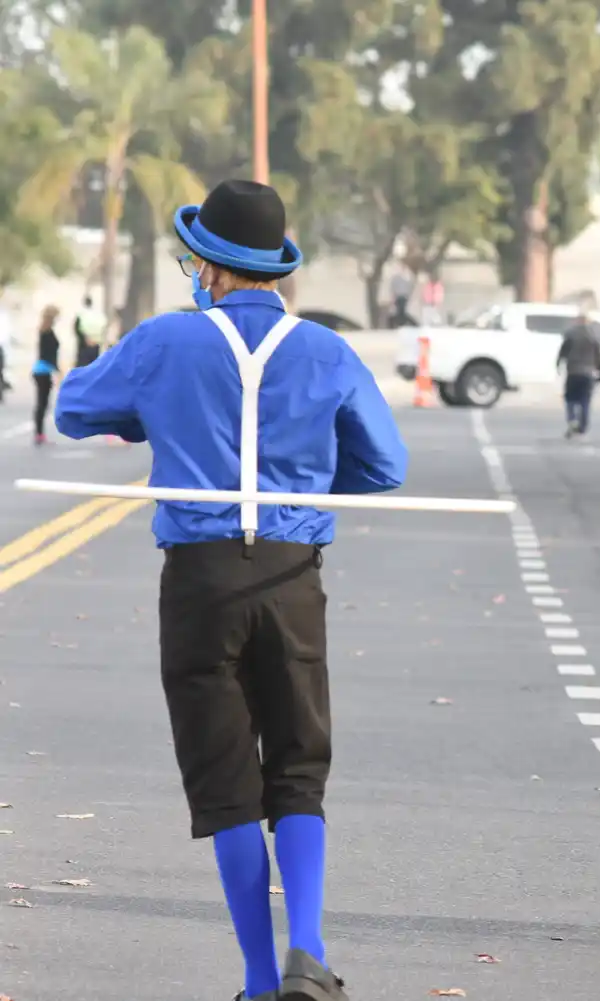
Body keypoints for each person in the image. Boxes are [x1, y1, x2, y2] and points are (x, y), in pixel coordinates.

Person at [53, 178, 408, 1001]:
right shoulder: (326, 350)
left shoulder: (163, 341)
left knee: (226, 781)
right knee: (298, 768)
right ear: (275, 268)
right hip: (291, 574)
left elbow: (73, 409)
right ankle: (307, 952)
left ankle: (256, 980)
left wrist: (153, 412)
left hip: (201, 581)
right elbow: (385, 464)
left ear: (208, 267)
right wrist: (303, 484)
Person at [557, 309, 600, 437]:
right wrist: (598, 368)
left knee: (570, 398)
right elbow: (598, 355)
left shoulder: (571, 334)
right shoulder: (594, 335)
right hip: (588, 372)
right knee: (585, 400)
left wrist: (558, 364)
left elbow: (563, 351)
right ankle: (583, 425)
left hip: (573, 370)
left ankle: (572, 419)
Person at [32, 304, 61, 445]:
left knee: (42, 404)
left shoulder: (44, 331)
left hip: (42, 370)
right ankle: (39, 434)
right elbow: (48, 354)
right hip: (43, 371)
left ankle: (40, 434)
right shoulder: (47, 333)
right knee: (42, 404)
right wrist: (57, 370)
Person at [74, 295, 107, 367]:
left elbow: (76, 329)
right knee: (93, 366)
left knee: (83, 366)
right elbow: (103, 328)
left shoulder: (81, 314)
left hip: (84, 345)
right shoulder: (98, 315)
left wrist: (85, 339)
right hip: (95, 344)